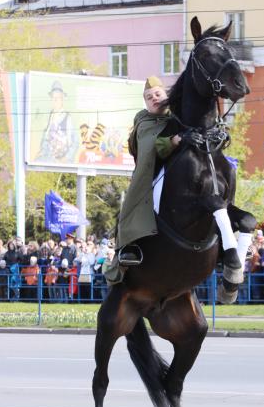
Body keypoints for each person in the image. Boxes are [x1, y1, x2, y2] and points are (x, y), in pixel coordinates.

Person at [106, 75, 252, 284]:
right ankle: (130, 247)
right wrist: (177, 139)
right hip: (155, 173)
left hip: (188, 174)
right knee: (134, 201)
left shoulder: (180, 116)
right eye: (149, 97)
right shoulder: (144, 122)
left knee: (219, 182)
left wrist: (217, 135)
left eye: (157, 94)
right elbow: (151, 147)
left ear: (165, 95)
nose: (154, 99)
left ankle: (225, 240)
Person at [35, 80, 79, 163]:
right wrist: (41, 152)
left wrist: (67, 158)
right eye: (53, 98)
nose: (55, 101)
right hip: (48, 158)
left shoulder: (68, 118)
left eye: (57, 98)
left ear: (62, 99)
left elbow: (76, 141)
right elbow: (45, 139)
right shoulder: (50, 116)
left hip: (62, 159)